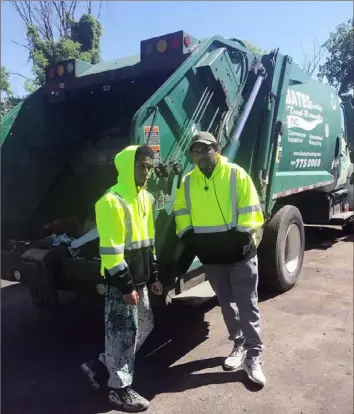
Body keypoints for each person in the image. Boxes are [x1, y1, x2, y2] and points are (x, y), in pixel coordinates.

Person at [173, 131, 266, 386]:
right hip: (212, 259)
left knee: (248, 306)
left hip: (240, 256)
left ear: (216, 149)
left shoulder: (236, 174)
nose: (201, 155)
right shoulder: (188, 181)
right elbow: (180, 210)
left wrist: (238, 238)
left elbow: (252, 210)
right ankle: (238, 346)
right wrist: (189, 236)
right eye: (196, 151)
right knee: (227, 305)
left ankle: (254, 356)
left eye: (206, 149)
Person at [81, 144, 163, 412]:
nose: (147, 171)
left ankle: (103, 363)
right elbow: (111, 252)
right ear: (128, 166)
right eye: (142, 166)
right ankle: (119, 390)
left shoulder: (146, 199)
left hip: (140, 279)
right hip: (121, 283)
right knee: (123, 334)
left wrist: (154, 275)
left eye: (150, 167)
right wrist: (125, 285)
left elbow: (149, 242)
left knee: (145, 323)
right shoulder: (111, 201)